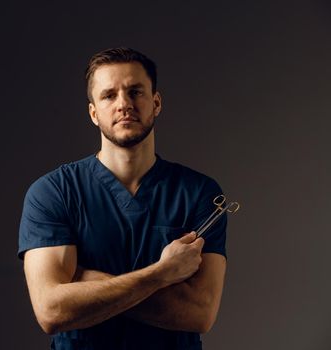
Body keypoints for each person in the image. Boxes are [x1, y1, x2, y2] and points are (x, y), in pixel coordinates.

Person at [17, 47, 227, 349]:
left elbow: (199, 314)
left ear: (156, 103)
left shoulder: (199, 193)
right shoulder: (53, 192)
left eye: (135, 92)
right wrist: (160, 274)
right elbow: (51, 311)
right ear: (93, 113)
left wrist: (86, 282)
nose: (124, 104)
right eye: (108, 95)